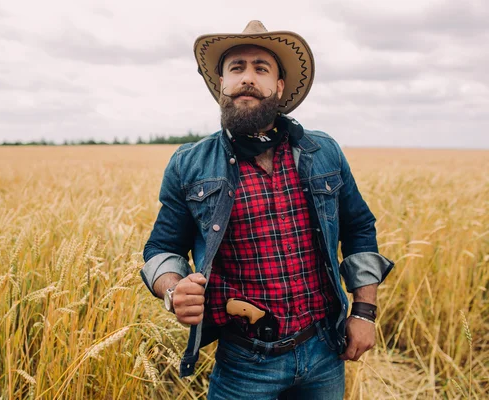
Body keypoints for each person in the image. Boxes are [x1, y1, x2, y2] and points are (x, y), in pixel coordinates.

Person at [140, 20, 394, 399]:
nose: (247, 78)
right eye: (236, 68)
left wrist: (363, 312)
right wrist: (174, 290)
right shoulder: (189, 164)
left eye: (261, 68)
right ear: (221, 84)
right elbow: (160, 249)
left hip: (324, 351)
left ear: (278, 86)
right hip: (244, 363)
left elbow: (359, 229)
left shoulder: (323, 152)